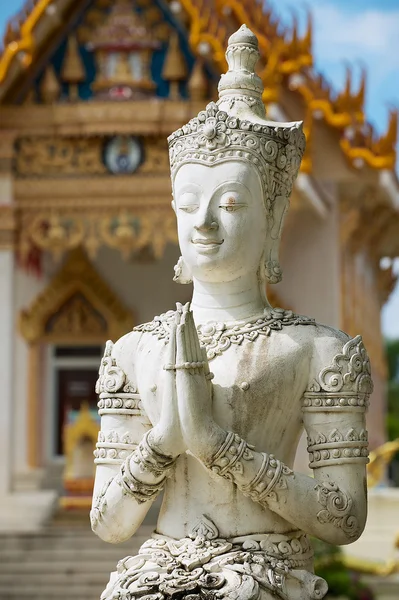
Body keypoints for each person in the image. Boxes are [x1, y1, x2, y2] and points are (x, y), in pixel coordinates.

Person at [91, 25, 372, 600]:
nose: (204, 224)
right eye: (189, 204)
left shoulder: (320, 351)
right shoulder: (133, 351)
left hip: (269, 575)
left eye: (230, 203)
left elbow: (343, 519)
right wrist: (167, 438)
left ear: (270, 219)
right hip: (153, 577)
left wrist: (220, 446)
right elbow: (109, 521)